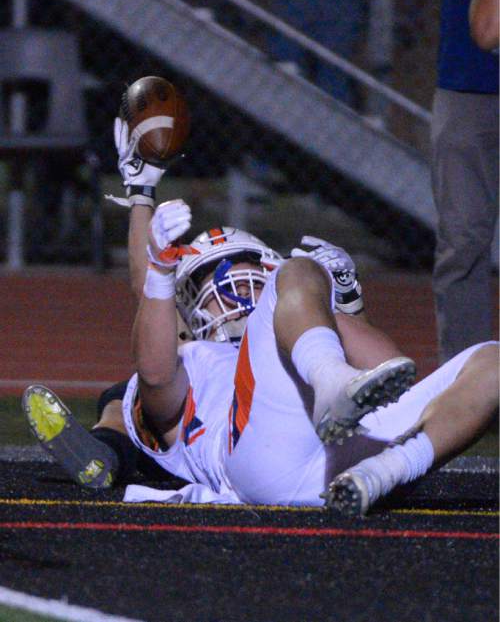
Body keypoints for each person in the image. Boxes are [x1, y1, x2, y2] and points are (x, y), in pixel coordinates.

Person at [23, 118, 498, 516]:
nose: (242, 286)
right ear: (188, 306)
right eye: (221, 277)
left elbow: (394, 371)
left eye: (254, 273)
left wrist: (342, 300)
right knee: (125, 396)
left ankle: (391, 469)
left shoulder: (300, 321)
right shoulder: (192, 355)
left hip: (353, 460)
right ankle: (108, 447)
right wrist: (160, 266)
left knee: (492, 360)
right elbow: (152, 366)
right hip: (263, 460)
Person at [431, 0, 499, 365]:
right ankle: (463, 379)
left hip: (466, 85)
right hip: (468, 85)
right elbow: (487, 29)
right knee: (463, 241)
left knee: (462, 243)